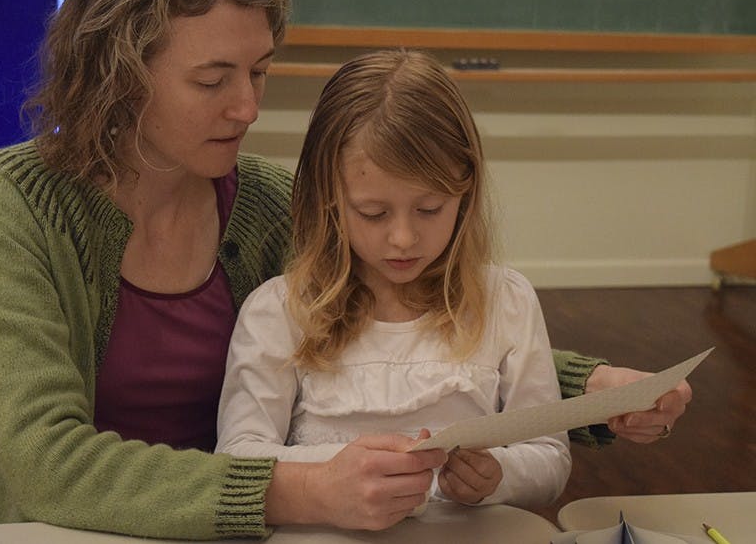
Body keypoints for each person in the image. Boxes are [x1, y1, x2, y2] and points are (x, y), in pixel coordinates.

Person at [0, 0, 690, 539]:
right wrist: (300, 490)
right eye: (213, 79)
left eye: (260, 71)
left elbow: (405, 315)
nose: (248, 106)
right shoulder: (13, 203)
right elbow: (48, 461)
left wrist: (599, 391)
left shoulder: (272, 199)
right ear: (119, 71)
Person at [216, 49, 570, 511]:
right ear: (329, 199)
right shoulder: (279, 311)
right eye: (373, 213)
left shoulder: (506, 300)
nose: (403, 238)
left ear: (465, 194)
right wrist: (334, 476)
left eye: (429, 209)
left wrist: (499, 477)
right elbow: (237, 457)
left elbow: (549, 456)